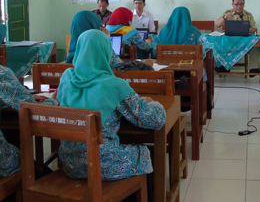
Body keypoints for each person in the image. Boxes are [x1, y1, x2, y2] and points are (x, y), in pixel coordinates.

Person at [57, 30, 166, 192]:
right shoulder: (114, 85)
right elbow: (154, 120)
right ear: (107, 52)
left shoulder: (66, 78)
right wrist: (156, 104)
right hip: (100, 163)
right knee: (144, 153)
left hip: (68, 161)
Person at [0, 25, 57, 179]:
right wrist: (53, 101)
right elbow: (32, 110)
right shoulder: (2, 74)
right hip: (2, 164)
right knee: (23, 158)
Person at [215, 0, 260, 73]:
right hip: (229, 42)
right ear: (232, 4)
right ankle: (223, 66)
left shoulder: (248, 15)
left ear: (244, 4)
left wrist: (242, 29)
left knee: (256, 45)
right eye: (236, 4)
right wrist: (225, 17)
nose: (239, 6)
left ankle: (254, 69)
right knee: (219, 44)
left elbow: (254, 29)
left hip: (244, 42)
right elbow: (217, 25)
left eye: (241, 4)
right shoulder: (227, 13)